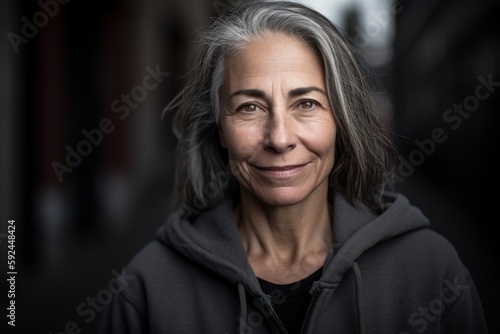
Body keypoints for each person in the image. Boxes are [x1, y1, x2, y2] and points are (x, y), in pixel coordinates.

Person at [98, 1, 488, 333]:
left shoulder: (431, 272)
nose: (280, 138)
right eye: (249, 107)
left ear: (341, 121)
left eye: (306, 104)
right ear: (219, 128)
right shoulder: (145, 289)